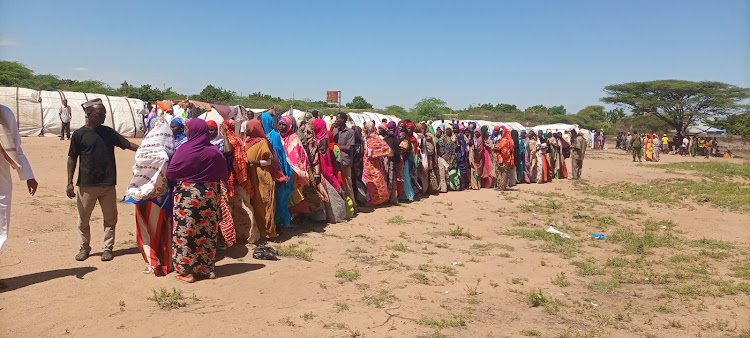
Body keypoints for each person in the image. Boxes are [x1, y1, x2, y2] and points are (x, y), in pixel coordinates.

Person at [67, 99, 139, 262]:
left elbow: (127, 144)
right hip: (86, 185)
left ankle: (108, 248)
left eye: (104, 114)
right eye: (100, 114)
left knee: (110, 218)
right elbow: (72, 158)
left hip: (108, 184)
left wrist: (149, 149)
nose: (103, 117)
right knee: (83, 219)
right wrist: (69, 182)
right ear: (89, 114)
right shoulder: (79, 134)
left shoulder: (109, 133)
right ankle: (84, 248)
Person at [166, 118, 226, 283]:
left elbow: (171, 173)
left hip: (187, 196)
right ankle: (207, 269)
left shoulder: (184, 150)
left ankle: (187, 272)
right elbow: (223, 172)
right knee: (207, 230)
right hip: (210, 195)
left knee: (185, 232)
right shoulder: (214, 151)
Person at [123, 116, 174, 275]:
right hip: (164, 196)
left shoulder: (144, 147)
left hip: (142, 193)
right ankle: (167, 262)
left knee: (146, 228)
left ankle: (152, 262)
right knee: (164, 228)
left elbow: (136, 170)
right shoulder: (170, 149)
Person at [1, 104, 38, 288]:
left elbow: (15, 147)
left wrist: (28, 176)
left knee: (0, 226)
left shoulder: (4, 113)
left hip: (1, 181)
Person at [221, 120, 258, 244]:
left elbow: (228, 151)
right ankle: (236, 234)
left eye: (224, 128)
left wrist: (225, 135)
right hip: (228, 176)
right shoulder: (229, 139)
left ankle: (251, 234)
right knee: (231, 207)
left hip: (235, 177)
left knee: (243, 205)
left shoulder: (234, 140)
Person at [261, 113, 295, 230]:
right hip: (271, 171)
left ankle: (282, 224)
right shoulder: (264, 136)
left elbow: (279, 156)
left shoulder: (274, 136)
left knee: (280, 199)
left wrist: (278, 173)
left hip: (279, 170)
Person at [313, 119, 347, 223]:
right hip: (323, 169)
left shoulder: (322, 141)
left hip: (323, 169)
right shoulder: (321, 138)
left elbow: (323, 158)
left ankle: (334, 215)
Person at [279, 116, 311, 218]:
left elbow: (298, 156)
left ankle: (297, 215)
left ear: (289, 126)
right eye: (280, 124)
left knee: (294, 194)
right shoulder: (277, 137)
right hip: (281, 172)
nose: (281, 127)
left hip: (294, 172)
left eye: (284, 124)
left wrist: (289, 167)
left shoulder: (294, 138)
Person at [333, 113, 357, 212]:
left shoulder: (350, 132)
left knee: (348, 183)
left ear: (343, 120)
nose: (336, 120)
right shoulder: (335, 132)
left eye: (338, 118)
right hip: (336, 161)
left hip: (345, 161)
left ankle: (354, 205)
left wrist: (336, 146)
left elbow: (349, 148)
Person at [362, 121, 390, 205]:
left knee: (377, 181)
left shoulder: (376, 138)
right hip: (366, 163)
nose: (365, 129)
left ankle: (379, 199)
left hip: (374, 164)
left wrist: (374, 152)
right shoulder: (365, 138)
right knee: (368, 182)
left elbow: (386, 149)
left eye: (366, 128)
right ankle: (371, 200)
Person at [384, 121, 402, 203]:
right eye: (389, 128)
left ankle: (391, 197)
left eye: (392, 128)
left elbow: (397, 153)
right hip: (386, 163)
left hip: (392, 163)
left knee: (391, 180)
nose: (390, 130)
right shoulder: (386, 140)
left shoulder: (395, 140)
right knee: (387, 179)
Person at [493, 127, 513, 191]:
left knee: (503, 174)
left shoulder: (505, 141)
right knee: (504, 173)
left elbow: (504, 151)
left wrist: (496, 149)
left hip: (504, 159)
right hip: (506, 159)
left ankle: (502, 187)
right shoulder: (509, 140)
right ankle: (501, 186)